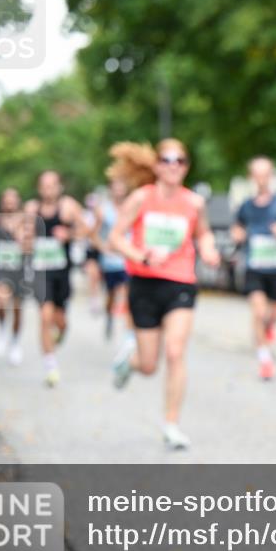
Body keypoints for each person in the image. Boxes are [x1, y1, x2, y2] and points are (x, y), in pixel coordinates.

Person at [108, 140, 220, 451]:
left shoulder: (194, 203)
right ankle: (129, 363)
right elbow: (115, 237)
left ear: (186, 166)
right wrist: (140, 255)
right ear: (157, 165)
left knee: (174, 351)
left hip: (180, 284)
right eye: (167, 160)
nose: (173, 165)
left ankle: (171, 424)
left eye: (180, 161)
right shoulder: (141, 198)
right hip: (144, 284)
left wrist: (209, 249)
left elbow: (203, 233)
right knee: (148, 365)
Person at [231, 156, 276, 380]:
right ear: (251, 177)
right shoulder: (246, 206)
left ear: (271, 176)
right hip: (254, 267)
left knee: (273, 315)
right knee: (259, 313)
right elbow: (236, 229)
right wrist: (237, 235)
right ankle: (265, 359)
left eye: (265, 174)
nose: (261, 179)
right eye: (257, 174)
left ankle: (269, 328)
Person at [25, 170, 88, 387]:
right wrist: (28, 240)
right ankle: (50, 367)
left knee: (60, 321)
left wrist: (69, 234)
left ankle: (61, 333)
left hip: (62, 273)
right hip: (41, 273)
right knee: (44, 317)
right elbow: (20, 236)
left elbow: (85, 230)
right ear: (39, 188)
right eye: (44, 185)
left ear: (59, 187)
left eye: (52, 185)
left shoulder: (69, 206)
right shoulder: (32, 209)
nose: (48, 189)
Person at [0, 187, 33, 365]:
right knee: (1, 303)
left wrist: (24, 241)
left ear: (18, 201)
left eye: (13, 199)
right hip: (1, 268)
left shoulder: (25, 221)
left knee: (18, 310)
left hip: (19, 270)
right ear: (2, 202)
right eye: (7, 199)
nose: (10, 203)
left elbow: (32, 244)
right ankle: (2, 330)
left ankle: (16, 342)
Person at [94, 177, 132, 340]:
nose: (119, 191)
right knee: (111, 295)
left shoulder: (132, 206)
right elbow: (93, 234)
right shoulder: (103, 210)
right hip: (110, 261)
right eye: (115, 187)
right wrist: (103, 248)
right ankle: (109, 316)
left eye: (121, 187)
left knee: (127, 293)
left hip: (128, 258)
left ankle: (128, 330)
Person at [82, 192, 105, 315]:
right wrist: (97, 223)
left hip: (103, 250)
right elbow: (87, 233)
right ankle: (94, 300)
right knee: (93, 276)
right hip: (91, 250)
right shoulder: (86, 216)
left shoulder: (104, 215)